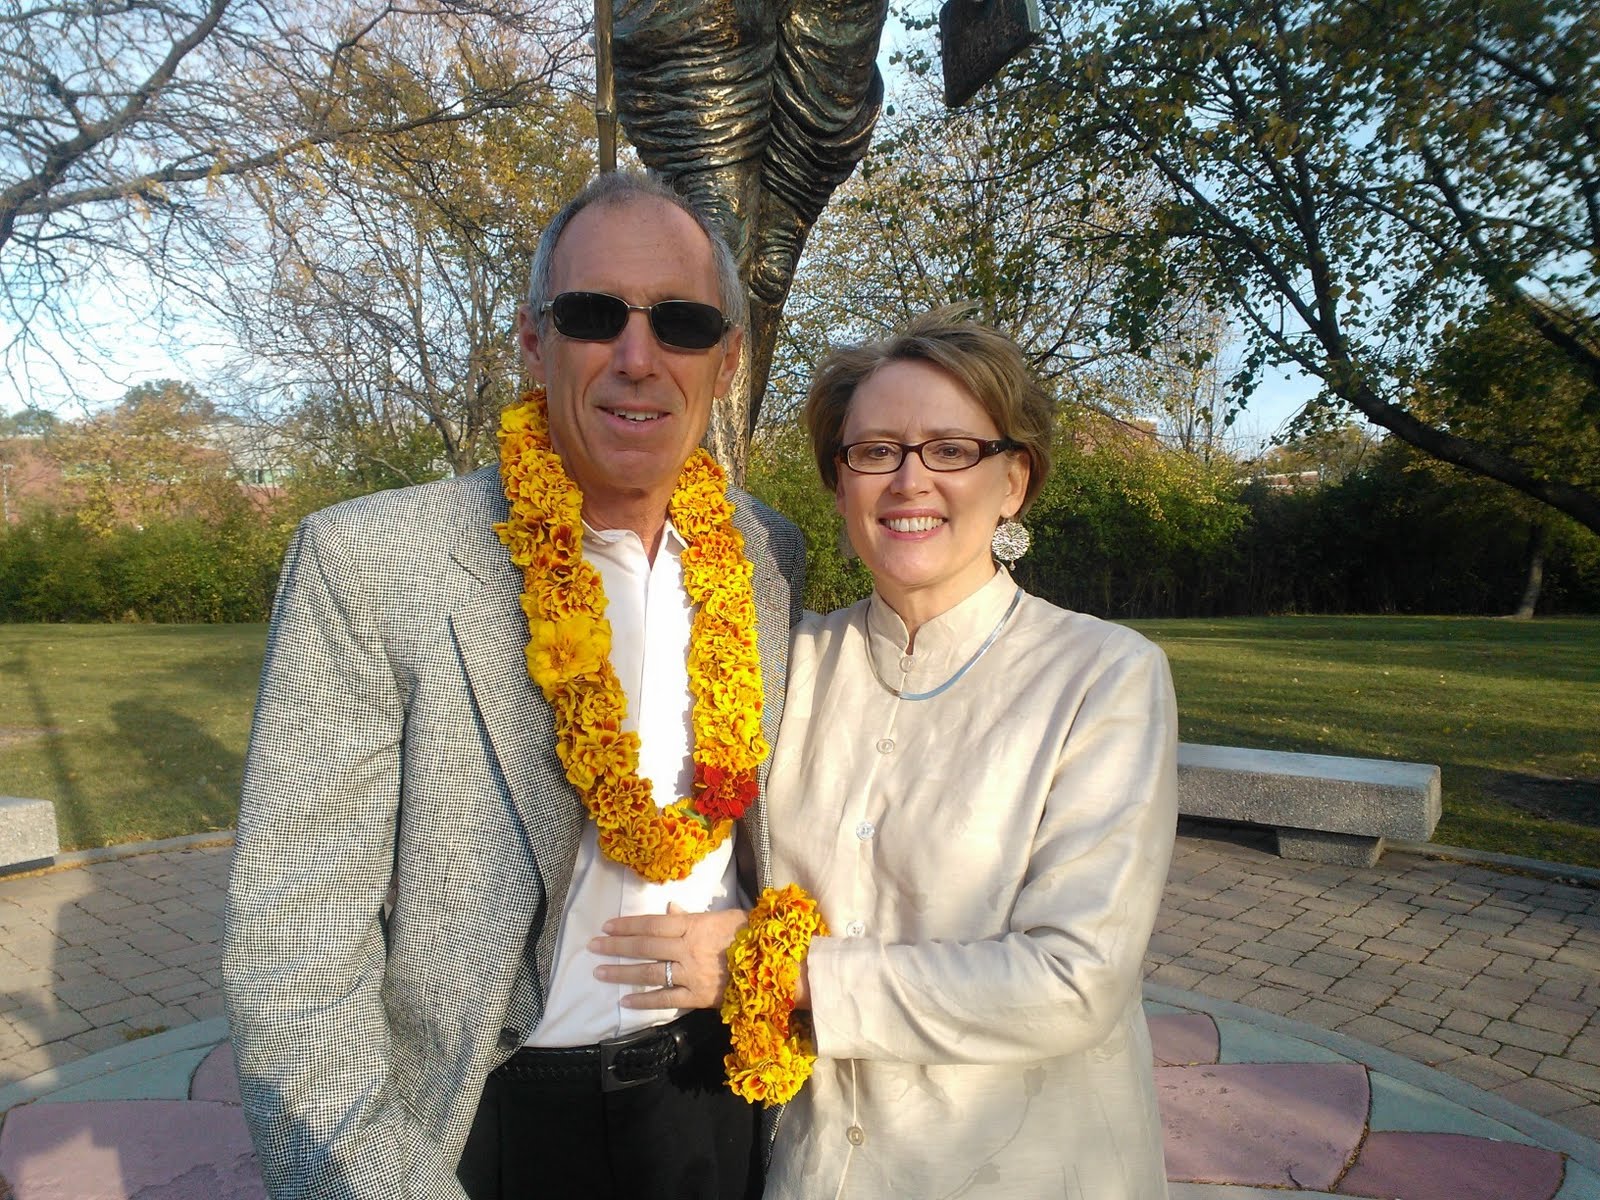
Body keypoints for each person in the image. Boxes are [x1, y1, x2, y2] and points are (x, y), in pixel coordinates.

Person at [222, 170, 806, 1200]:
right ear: (535, 342)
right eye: (593, 315)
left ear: (725, 362)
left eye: (680, 323)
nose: (637, 357)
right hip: (488, 1122)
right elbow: (295, 945)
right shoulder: (373, 562)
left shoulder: (768, 554)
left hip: (718, 1102)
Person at [595, 309, 1177, 1198]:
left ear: (1014, 481)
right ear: (840, 486)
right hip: (814, 1167)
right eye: (875, 452)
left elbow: (1075, 977)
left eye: (951, 449)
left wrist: (781, 971)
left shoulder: (1103, 677)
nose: (910, 480)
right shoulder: (787, 664)